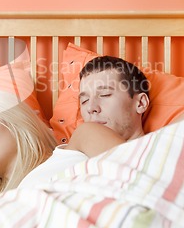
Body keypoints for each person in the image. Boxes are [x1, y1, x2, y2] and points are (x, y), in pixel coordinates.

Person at [19, 56, 150, 188]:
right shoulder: (84, 134)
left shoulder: (162, 149)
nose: (91, 108)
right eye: (84, 101)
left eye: (105, 95)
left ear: (140, 103)